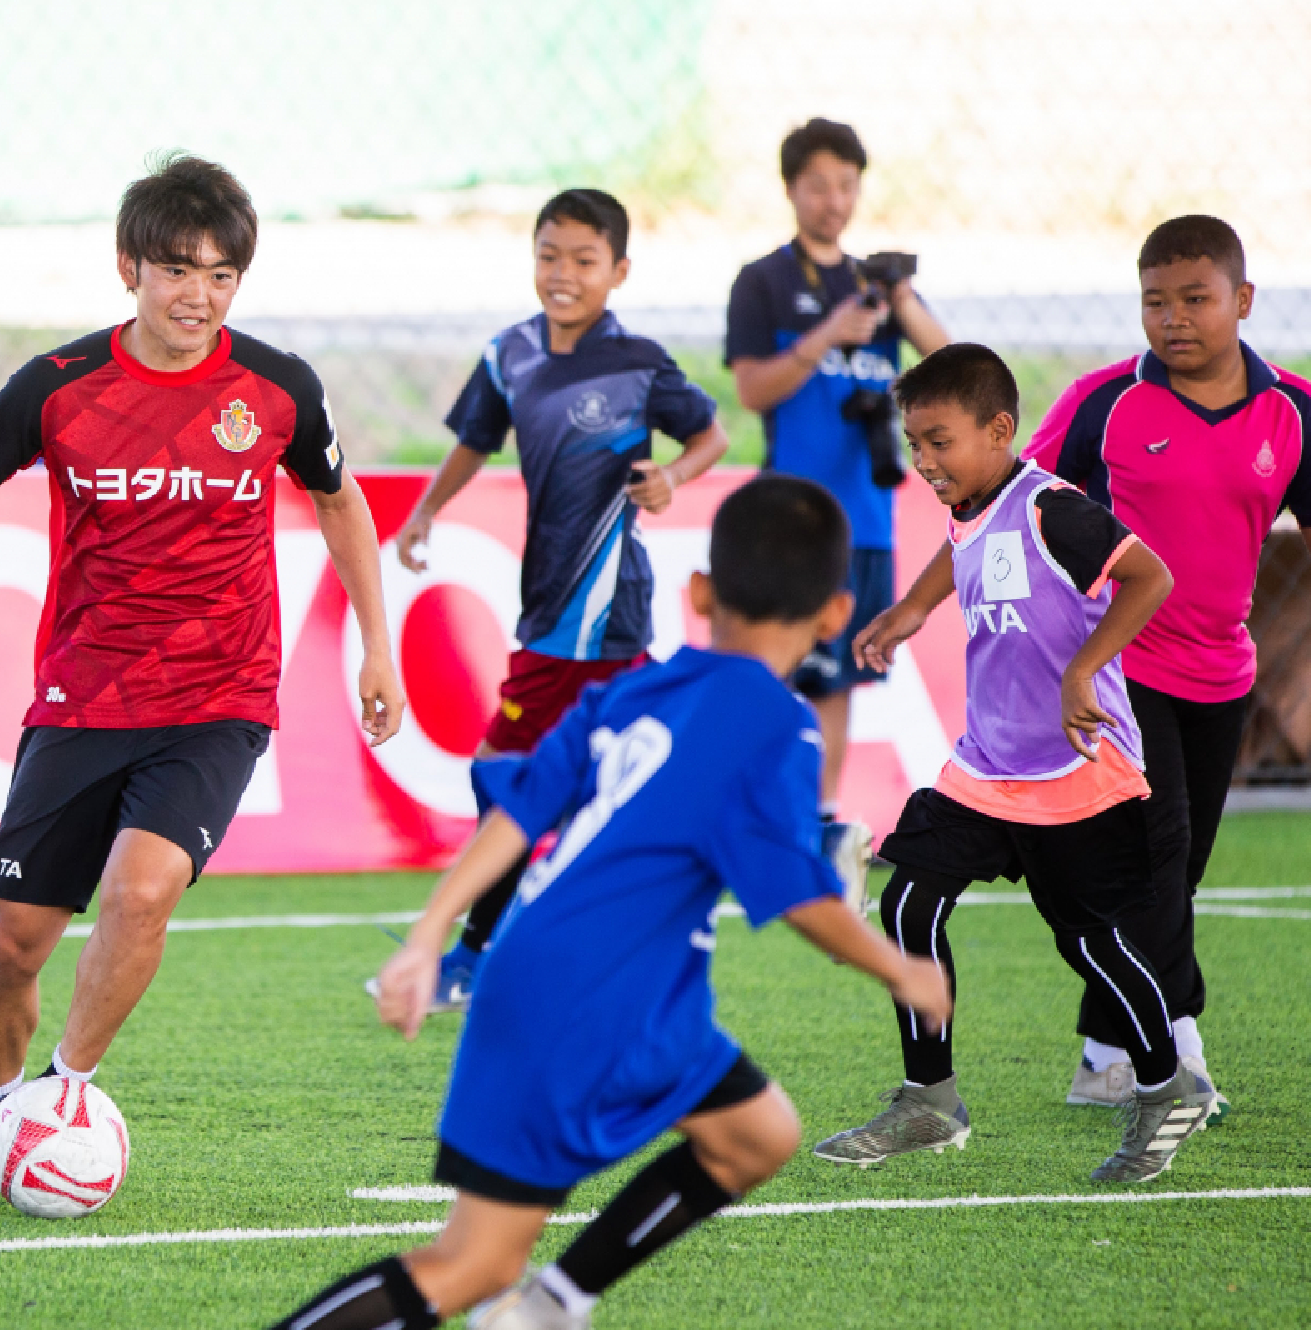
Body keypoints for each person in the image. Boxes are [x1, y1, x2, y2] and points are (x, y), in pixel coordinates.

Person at [273, 476, 952, 1330]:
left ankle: (552, 1304)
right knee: (472, 1261)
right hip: (595, 1001)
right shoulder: (777, 724)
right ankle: (533, 1300)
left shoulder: (635, 687)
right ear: (835, 614)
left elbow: (517, 808)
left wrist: (429, 933)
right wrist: (903, 971)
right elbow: (797, 897)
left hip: (597, 986)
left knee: (760, 1133)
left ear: (700, 591)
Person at [0, 154, 404, 1192]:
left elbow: (339, 502)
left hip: (219, 696)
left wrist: (375, 643)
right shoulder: (61, 387)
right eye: (175, 270)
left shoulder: (278, 388)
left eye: (219, 276)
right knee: (12, 944)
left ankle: (64, 1096)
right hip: (84, 693)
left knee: (143, 887)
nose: (197, 296)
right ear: (128, 267)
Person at [867, 216, 1311, 1112]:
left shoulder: (1295, 411)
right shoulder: (1103, 401)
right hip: (1116, 674)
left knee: (1175, 869)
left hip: (1221, 673)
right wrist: (917, 605)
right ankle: (1174, 1056)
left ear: (1243, 300)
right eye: (1156, 301)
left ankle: (1106, 1050)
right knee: (1156, 857)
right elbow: (994, 509)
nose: (1174, 318)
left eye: (1195, 298)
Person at [819, 343, 1218, 1183]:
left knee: (1094, 945)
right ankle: (929, 1098)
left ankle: (1164, 1084)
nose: (923, 461)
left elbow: (1151, 576)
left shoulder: (1052, 509)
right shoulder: (972, 502)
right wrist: (907, 611)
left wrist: (1082, 671)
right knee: (909, 907)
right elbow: (960, 548)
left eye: (938, 441)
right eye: (914, 443)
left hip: (1075, 766)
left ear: (999, 431)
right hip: (987, 763)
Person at [376, 188, 729, 1012]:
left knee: (507, 777)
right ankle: (520, 943)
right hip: (547, 604)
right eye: (549, 255)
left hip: (602, 612)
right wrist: (426, 509)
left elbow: (709, 431)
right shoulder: (510, 353)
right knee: (562, 781)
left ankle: (478, 954)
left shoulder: (638, 362)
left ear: (619, 270)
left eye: (583, 259)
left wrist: (670, 476)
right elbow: (473, 439)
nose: (563, 274)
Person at [724, 117, 948, 834]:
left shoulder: (878, 289)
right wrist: (829, 334)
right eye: (817, 184)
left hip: (865, 517)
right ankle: (751, 811)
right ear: (791, 189)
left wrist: (903, 302)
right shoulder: (763, 281)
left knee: (836, 681)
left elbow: (956, 374)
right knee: (769, 671)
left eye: (846, 185)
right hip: (787, 518)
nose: (833, 200)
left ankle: (816, 819)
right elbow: (752, 389)